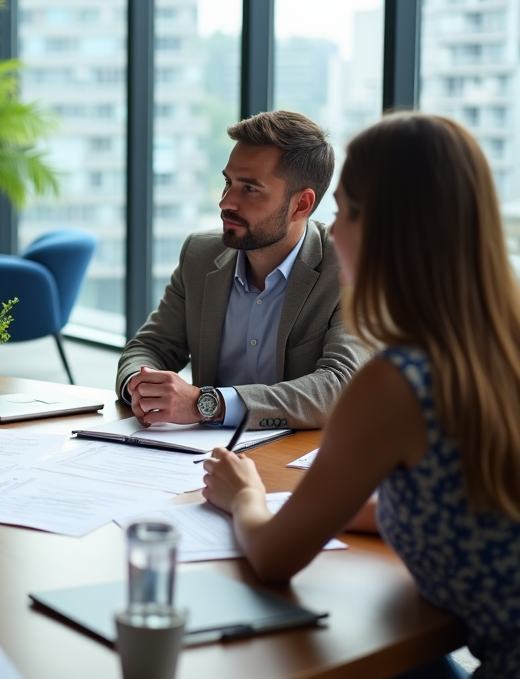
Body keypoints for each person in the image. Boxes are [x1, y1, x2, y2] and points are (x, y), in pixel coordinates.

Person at [204, 113, 520, 678]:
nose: (334, 230)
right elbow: (463, 500)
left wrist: (245, 495)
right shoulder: (495, 345)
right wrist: (330, 502)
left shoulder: (398, 381)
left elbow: (274, 559)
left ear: (388, 231)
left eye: (345, 211)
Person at [116, 110, 368, 430]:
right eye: (228, 182)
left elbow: (341, 386)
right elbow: (149, 347)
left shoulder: (348, 268)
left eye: (249, 189)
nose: (225, 202)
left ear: (301, 204)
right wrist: (142, 388)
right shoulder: (199, 254)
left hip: (292, 464)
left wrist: (206, 404)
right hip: (198, 458)